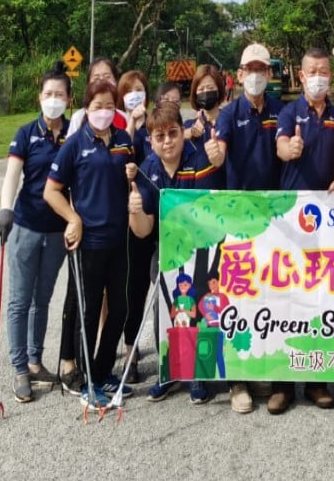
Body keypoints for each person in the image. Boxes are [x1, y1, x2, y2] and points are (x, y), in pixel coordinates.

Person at [44, 78, 136, 409]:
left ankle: (101, 370)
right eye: (97, 106)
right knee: (90, 309)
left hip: (118, 239)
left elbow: (131, 178)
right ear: (86, 109)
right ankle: (86, 382)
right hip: (89, 243)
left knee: (120, 309)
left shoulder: (124, 140)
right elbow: (51, 190)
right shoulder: (75, 143)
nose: (103, 112)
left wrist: (133, 173)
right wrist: (73, 218)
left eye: (109, 106)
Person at [269, 47, 334, 414]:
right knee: (287, 297)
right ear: (301, 76)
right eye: (312, 71)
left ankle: (317, 380)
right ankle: (283, 383)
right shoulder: (289, 112)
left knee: (321, 299)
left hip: (329, 223)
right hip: (291, 221)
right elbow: (281, 146)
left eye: (325, 71)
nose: (319, 76)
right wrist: (290, 148)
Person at [209, 42, 283, 414]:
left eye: (262, 69)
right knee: (236, 295)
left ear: (269, 75)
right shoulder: (229, 113)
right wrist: (216, 153)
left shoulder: (279, 111)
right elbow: (219, 147)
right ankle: (237, 378)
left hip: (272, 221)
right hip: (237, 220)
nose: (255, 75)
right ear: (239, 75)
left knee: (266, 293)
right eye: (249, 69)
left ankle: (261, 367)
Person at [130, 101, 217, 405]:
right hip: (164, 249)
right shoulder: (148, 169)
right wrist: (136, 211)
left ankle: (198, 374)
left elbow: (206, 210)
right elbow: (143, 230)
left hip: (199, 246)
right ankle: (169, 372)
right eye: (159, 136)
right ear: (151, 141)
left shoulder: (201, 157)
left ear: (183, 133)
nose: (167, 141)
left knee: (197, 308)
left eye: (173, 133)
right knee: (165, 312)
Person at [0, 61, 71, 403]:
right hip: (26, 226)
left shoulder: (74, 133)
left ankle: (36, 360)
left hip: (56, 232)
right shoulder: (26, 133)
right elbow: (13, 174)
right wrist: (5, 208)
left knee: (42, 300)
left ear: (69, 99)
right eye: (48, 94)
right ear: (40, 97)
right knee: (19, 300)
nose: (53, 99)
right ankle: (20, 367)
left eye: (60, 94)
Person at [116, 70, 152, 383]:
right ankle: (131, 350)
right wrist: (130, 124)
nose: (135, 95)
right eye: (129, 91)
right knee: (135, 286)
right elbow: (121, 161)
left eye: (140, 90)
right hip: (134, 214)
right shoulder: (117, 128)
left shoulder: (154, 125)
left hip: (162, 212)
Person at [182, 64, 227, 189]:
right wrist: (186, 134)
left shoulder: (230, 121)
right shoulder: (189, 126)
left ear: (219, 90)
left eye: (210, 87)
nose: (206, 92)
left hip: (229, 196)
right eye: (201, 89)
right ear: (195, 94)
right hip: (200, 199)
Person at [68, 56, 128, 132]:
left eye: (107, 77)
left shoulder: (124, 118)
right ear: (88, 84)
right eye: (96, 78)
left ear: (116, 81)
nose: (102, 81)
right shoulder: (78, 118)